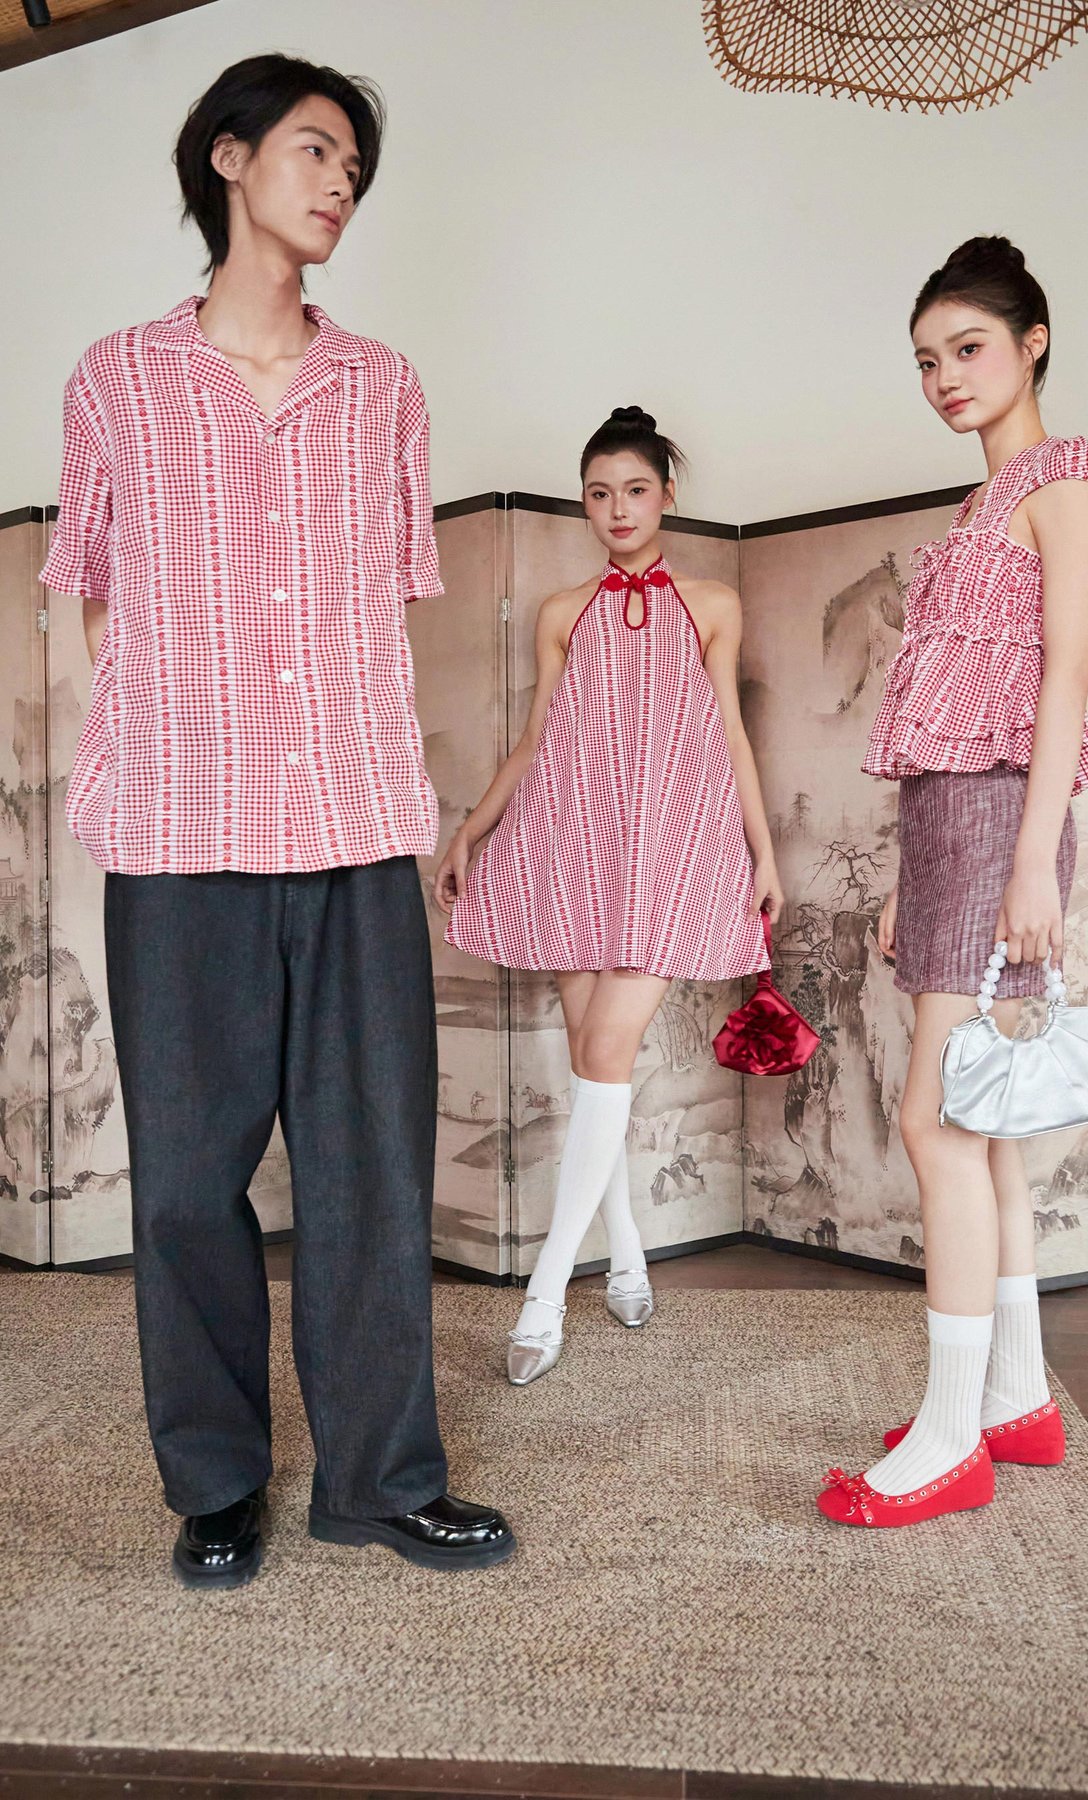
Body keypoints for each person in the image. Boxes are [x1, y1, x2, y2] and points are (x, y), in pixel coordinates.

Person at [40, 53, 513, 1585]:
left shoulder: (383, 388)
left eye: (355, 171)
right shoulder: (117, 379)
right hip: (179, 835)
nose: (339, 186)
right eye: (316, 152)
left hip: (354, 823)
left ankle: (379, 1479)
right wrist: (168, 723)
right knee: (188, 1183)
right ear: (231, 158)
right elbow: (90, 595)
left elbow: (390, 605)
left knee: (371, 1175)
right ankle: (216, 1484)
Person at [819, 237, 1088, 1528]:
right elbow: (946, 710)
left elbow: (1063, 677)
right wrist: (907, 872)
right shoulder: (979, 506)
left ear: (1032, 343)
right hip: (950, 822)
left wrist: (1033, 857)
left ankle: (949, 1443)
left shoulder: (1063, 479)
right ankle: (1015, 1398)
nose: (945, 376)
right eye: (927, 359)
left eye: (969, 348)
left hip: (1003, 819)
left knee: (937, 1125)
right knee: (981, 1127)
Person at [435, 407, 783, 1385]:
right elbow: (535, 740)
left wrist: (763, 853)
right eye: (599, 494)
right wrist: (470, 831)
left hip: (671, 852)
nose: (617, 509)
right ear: (584, 504)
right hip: (572, 846)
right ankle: (627, 1258)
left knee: (604, 1056)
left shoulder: (712, 603)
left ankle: (545, 1297)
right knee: (600, 1069)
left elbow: (731, 733)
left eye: (635, 490)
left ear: (668, 493)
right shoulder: (561, 612)